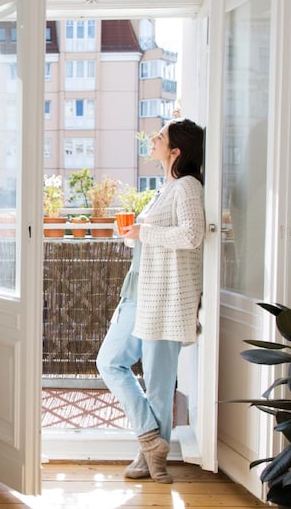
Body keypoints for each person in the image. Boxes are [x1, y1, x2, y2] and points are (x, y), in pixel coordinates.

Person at [95, 118, 206, 484]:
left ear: (175, 152)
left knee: (159, 381)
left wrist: (145, 231)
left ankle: (149, 459)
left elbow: (191, 236)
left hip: (167, 295)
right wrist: (132, 235)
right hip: (140, 290)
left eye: (161, 137)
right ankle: (151, 439)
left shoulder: (188, 187)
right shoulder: (167, 188)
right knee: (110, 361)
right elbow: (153, 239)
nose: (153, 139)